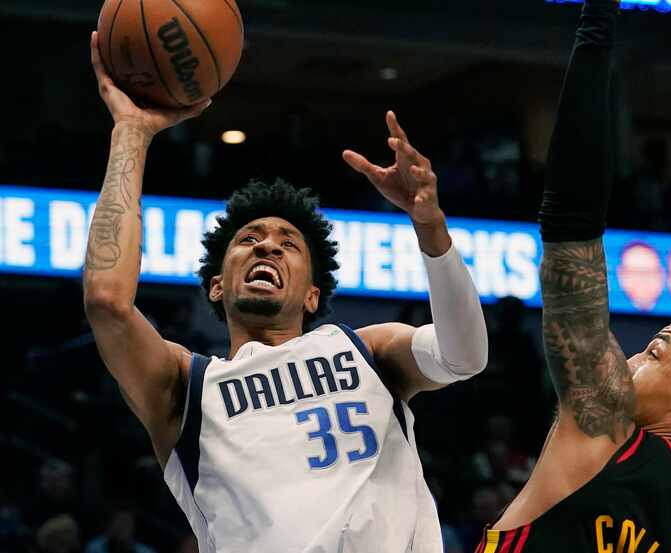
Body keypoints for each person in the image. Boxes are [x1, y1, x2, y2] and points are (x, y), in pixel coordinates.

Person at [84, 31, 488, 553]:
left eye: (288, 244)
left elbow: (466, 356)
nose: (267, 248)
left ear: (313, 295)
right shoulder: (187, 386)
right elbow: (107, 304)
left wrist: (431, 228)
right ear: (216, 285)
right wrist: (131, 134)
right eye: (248, 240)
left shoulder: (367, 351)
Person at [475, 2, 671, 551]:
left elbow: (570, 226)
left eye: (656, 352)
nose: (632, 359)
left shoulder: (605, 432)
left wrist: (596, 29)